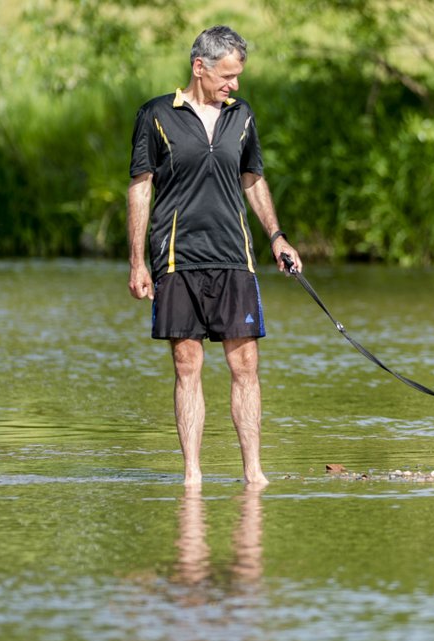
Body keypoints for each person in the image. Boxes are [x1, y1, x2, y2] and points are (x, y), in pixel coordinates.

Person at [127, 25, 301, 487]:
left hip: (233, 259)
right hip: (175, 260)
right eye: (227, 75)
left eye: (238, 76)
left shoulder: (241, 115)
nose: (235, 85)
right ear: (198, 67)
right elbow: (140, 187)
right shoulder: (156, 115)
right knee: (187, 367)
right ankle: (192, 475)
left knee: (246, 367)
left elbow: (253, 178)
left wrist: (277, 236)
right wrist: (137, 261)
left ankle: (253, 473)